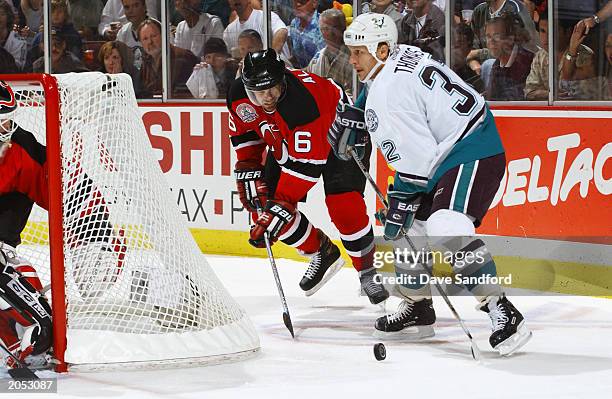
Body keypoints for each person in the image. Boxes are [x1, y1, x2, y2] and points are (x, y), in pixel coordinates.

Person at [339, 13, 531, 355]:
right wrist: (358, 108)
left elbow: (419, 162)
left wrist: (402, 197)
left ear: (381, 50)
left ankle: (502, 310)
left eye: (359, 53)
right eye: (351, 52)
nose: (352, 60)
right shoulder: (393, 58)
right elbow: (380, 91)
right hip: (449, 146)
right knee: (405, 226)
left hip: (473, 146)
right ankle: (418, 309)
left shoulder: (387, 95)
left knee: (444, 225)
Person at [226, 49, 389, 305]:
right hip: (292, 142)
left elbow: (306, 169)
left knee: (344, 207)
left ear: (283, 81)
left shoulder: (303, 105)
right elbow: (246, 133)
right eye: (259, 92)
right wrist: (248, 162)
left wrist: (280, 206)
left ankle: (367, 271)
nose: (267, 98)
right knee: (263, 211)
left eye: (273, 89)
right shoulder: (239, 97)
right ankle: (321, 251)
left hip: (340, 134)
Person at [0, 81, 54, 369]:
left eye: (7, 119)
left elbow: (68, 187)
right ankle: (9, 333)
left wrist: (97, 228)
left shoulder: (24, 148)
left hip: (7, 214)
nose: (5, 129)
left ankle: (41, 322)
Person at [138, 18, 198, 98]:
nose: (150, 42)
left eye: (153, 36)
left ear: (163, 36)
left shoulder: (183, 57)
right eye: (145, 39)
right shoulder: (145, 63)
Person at [484, 13, 534, 101]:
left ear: (510, 39)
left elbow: (516, 99)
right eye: (488, 37)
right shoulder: (497, 64)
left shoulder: (525, 61)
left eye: (497, 36)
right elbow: (491, 97)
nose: (491, 41)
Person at [305, 8, 353, 97]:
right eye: (325, 28)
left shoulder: (353, 57)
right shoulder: (317, 59)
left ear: (344, 27)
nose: (330, 33)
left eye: (334, 27)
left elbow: (352, 95)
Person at [224, 0, 289, 59]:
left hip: (279, 68)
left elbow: (282, 32)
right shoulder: (229, 30)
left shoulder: (266, 16)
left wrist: (270, 58)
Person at [288, 0, 325, 68]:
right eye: (294, 1)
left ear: (314, 3)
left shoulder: (322, 25)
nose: (298, 4)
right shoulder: (294, 23)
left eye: (302, 1)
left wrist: (296, 72)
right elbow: (295, 58)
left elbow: (318, 65)